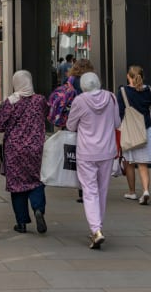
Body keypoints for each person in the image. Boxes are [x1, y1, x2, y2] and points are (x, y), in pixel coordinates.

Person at [66, 72, 120, 249]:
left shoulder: (79, 101)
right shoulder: (111, 98)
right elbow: (117, 123)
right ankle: (98, 228)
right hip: (106, 151)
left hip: (87, 152)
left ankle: (96, 229)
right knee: (102, 190)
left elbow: (71, 125)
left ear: (83, 85)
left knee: (90, 191)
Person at [0, 70, 49, 234]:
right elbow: (47, 115)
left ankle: (21, 223)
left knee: (17, 185)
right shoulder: (40, 100)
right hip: (35, 148)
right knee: (36, 180)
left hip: (14, 150)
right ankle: (38, 209)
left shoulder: (10, 102)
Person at [117, 65, 151, 203]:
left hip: (129, 130)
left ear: (128, 76)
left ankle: (132, 192)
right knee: (142, 164)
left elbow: (119, 111)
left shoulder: (123, 91)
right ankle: (146, 190)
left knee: (129, 162)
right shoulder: (148, 90)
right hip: (146, 129)